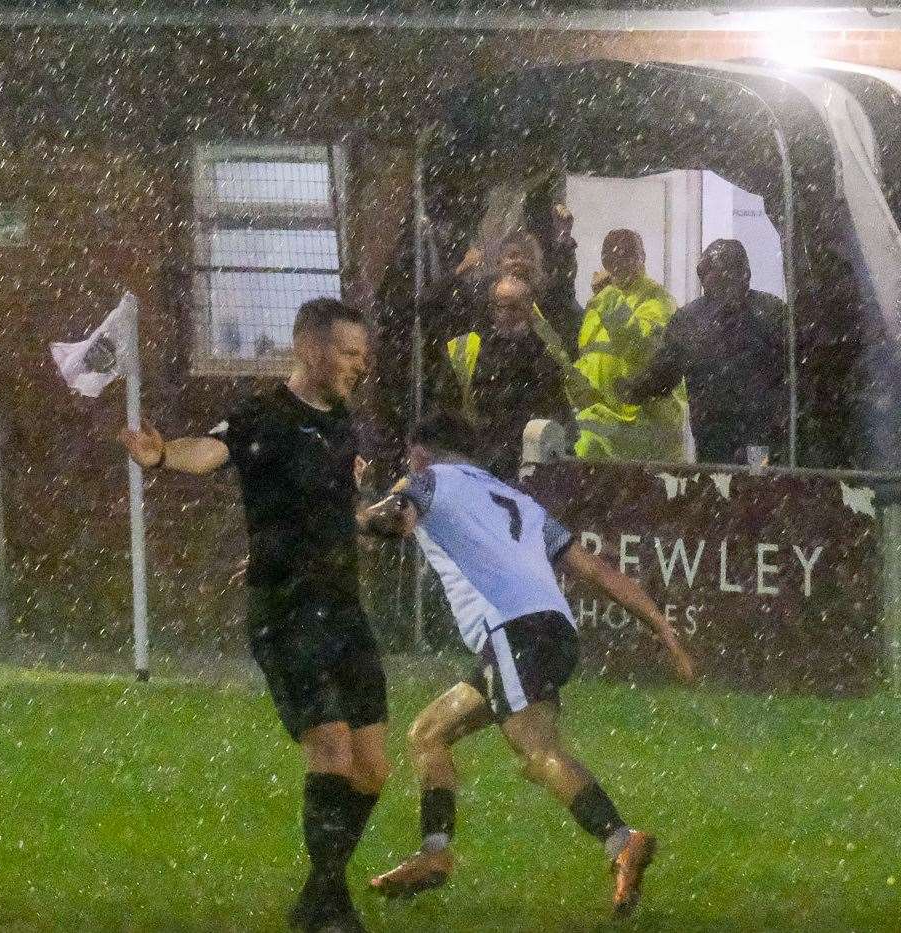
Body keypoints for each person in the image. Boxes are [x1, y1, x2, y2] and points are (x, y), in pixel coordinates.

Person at [356, 412, 695, 918]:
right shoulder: (519, 500)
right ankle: (434, 854)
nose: (407, 464)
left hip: (512, 632)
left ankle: (621, 839)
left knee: (537, 752)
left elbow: (390, 522)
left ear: (423, 452)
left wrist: (355, 503)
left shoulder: (426, 480)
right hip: (553, 634)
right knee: (429, 733)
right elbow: (595, 568)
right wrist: (662, 628)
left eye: (410, 455)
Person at [120, 297, 388, 933]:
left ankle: (321, 894)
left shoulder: (345, 422)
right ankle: (326, 901)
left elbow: (329, 508)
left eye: (361, 354)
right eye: (347, 353)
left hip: (344, 609)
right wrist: (162, 456)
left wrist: (363, 520)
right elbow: (211, 452)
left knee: (372, 768)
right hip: (288, 611)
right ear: (308, 348)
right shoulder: (263, 414)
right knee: (330, 747)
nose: (358, 365)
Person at [623, 239, 789, 465]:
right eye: (705, 276)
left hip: (759, 441)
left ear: (745, 275)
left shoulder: (769, 313)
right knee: (727, 488)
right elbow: (662, 374)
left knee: (756, 487)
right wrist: (633, 390)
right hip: (715, 440)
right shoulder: (690, 320)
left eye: (719, 275)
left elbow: (798, 375)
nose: (710, 283)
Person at [567, 229, 687, 462]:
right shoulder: (599, 302)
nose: (619, 263)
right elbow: (590, 357)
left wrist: (607, 297)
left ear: (642, 257)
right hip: (605, 417)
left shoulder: (658, 300)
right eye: (611, 258)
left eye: (627, 255)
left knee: (584, 447)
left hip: (644, 422)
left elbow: (641, 348)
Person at [439, 273, 569, 477]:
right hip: (480, 460)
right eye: (502, 307)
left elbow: (558, 412)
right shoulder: (468, 349)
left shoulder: (544, 354)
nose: (508, 314)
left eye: (516, 307)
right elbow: (447, 408)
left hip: (530, 463)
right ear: (492, 310)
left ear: (529, 309)